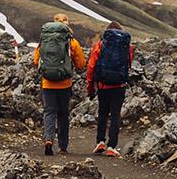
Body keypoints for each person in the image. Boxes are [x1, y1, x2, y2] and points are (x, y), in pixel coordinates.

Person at [31, 14, 85, 156]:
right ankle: (62, 147)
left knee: (49, 112)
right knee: (63, 114)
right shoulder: (72, 42)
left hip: (47, 83)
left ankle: (48, 139)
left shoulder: (44, 40)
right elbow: (81, 64)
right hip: (65, 84)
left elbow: (36, 60)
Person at [85, 19, 134, 156]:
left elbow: (91, 67)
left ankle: (100, 141)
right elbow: (129, 64)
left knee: (102, 113)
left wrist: (90, 87)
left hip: (103, 85)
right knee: (115, 115)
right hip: (119, 85)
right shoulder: (127, 46)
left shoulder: (100, 45)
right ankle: (112, 147)